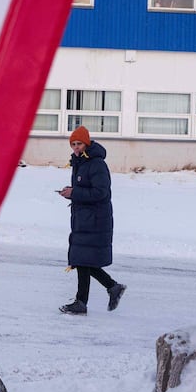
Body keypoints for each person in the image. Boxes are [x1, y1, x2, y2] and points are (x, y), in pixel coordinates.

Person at [58, 125, 126, 315]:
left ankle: (86, 299)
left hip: (95, 219)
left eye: (79, 144)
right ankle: (110, 288)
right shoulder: (80, 162)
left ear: (86, 144)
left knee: (82, 259)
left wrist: (75, 192)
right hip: (84, 218)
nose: (76, 148)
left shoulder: (96, 164)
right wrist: (70, 193)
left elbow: (101, 192)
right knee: (82, 259)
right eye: (73, 144)